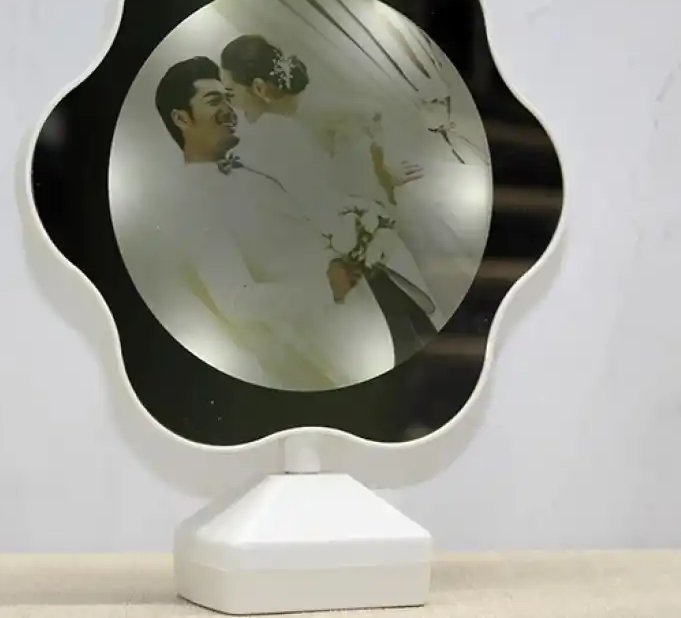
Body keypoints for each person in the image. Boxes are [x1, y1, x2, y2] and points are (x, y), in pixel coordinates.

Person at [153, 56, 395, 390]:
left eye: (228, 98)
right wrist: (327, 288)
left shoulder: (248, 161)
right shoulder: (191, 205)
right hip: (325, 344)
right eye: (214, 101)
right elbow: (237, 301)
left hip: (366, 312)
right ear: (181, 118)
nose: (230, 110)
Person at [219, 34, 489, 328]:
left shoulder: (306, 112)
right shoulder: (271, 129)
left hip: (376, 195)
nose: (231, 104)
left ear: (259, 88)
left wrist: (382, 166)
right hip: (354, 207)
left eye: (231, 93)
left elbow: (373, 115)